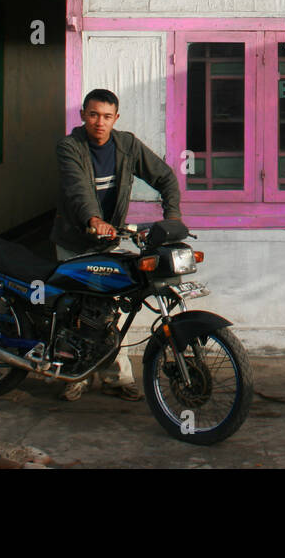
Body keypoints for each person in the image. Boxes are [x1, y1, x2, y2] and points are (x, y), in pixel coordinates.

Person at [50, 88, 183, 401]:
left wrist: (172, 219)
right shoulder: (70, 146)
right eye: (94, 114)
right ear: (83, 115)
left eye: (107, 116)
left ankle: (117, 378)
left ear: (116, 119)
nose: (100, 122)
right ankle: (74, 375)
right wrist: (94, 220)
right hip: (74, 240)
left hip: (109, 239)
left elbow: (165, 177)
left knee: (108, 312)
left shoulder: (127, 145)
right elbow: (78, 189)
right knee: (76, 311)